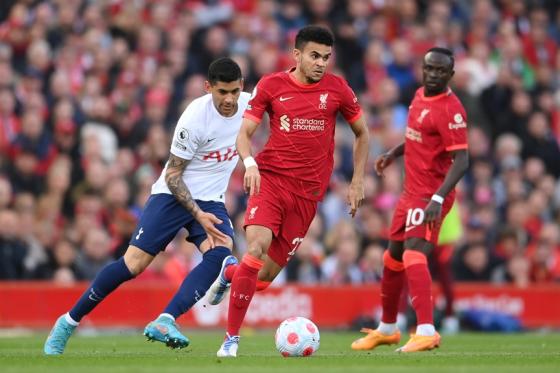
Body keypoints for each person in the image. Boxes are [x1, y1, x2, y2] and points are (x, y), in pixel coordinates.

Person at [44, 57, 249, 354]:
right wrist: (198, 215)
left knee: (221, 253)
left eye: (234, 91)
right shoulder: (194, 118)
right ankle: (68, 322)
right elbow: (173, 174)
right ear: (208, 88)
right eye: (222, 92)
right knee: (132, 265)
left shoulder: (249, 105)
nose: (229, 99)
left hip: (212, 198)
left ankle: (166, 320)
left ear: (241, 86)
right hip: (173, 194)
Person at [212, 25, 370, 358]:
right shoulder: (271, 85)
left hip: (307, 196)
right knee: (256, 246)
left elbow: (362, 133)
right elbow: (244, 133)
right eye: (314, 55)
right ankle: (231, 339)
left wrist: (357, 181)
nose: (321, 63)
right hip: (269, 180)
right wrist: (250, 164)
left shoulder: (338, 89)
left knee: (264, 276)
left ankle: (229, 272)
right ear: (296, 54)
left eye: (326, 57)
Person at [350, 47, 469, 353]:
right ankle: (388, 329)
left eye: (440, 71)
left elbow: (462, 160)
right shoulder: (418, 96)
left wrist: (439, 199)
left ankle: (427, 330)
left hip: (430, 195)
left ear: (450, 75)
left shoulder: (450, 109)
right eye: (429, 69)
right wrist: (393, 153)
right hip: (409, 193)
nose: (433, 75)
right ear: (422, 69)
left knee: (414, 256)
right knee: (391, 259)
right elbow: (419, 137)